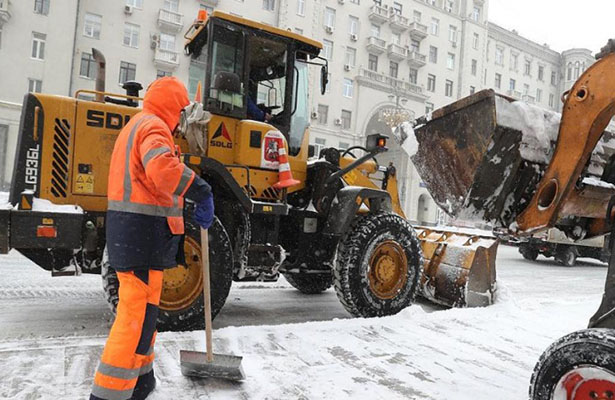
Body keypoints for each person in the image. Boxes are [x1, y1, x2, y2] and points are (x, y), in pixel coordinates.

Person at [90, 77, 214, 400]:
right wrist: (200, 189)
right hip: (139, 236)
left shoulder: (142, 125)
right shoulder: (153, 127)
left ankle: (141, 380)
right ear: (173, 106)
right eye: (183, 109)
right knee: (134, 318)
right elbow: (161, 169)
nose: (184, 118)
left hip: (142, 236)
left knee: (146, 314)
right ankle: (106, 394)